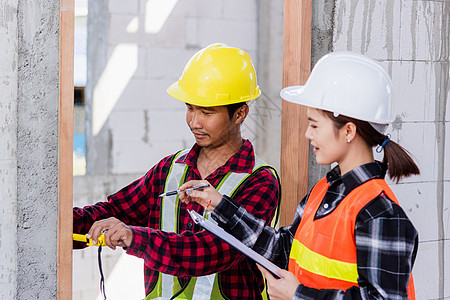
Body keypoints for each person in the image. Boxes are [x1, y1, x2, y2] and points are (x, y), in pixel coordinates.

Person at [179, 51, 419, 299]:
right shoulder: (324, 191)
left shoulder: (379, 213)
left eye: (314, 125)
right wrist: (219, 204)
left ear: (348, 131)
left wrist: (298, 295)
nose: (307, 134)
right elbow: (282, 249)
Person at [73, 43, 280, 300]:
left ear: (240, 114)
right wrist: (57, 225)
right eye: (190, 108)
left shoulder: (259, 181)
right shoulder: (169, 170)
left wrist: (135, 237)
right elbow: (110, 212)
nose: (194, 121)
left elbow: (213, 251)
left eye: (207, 112)